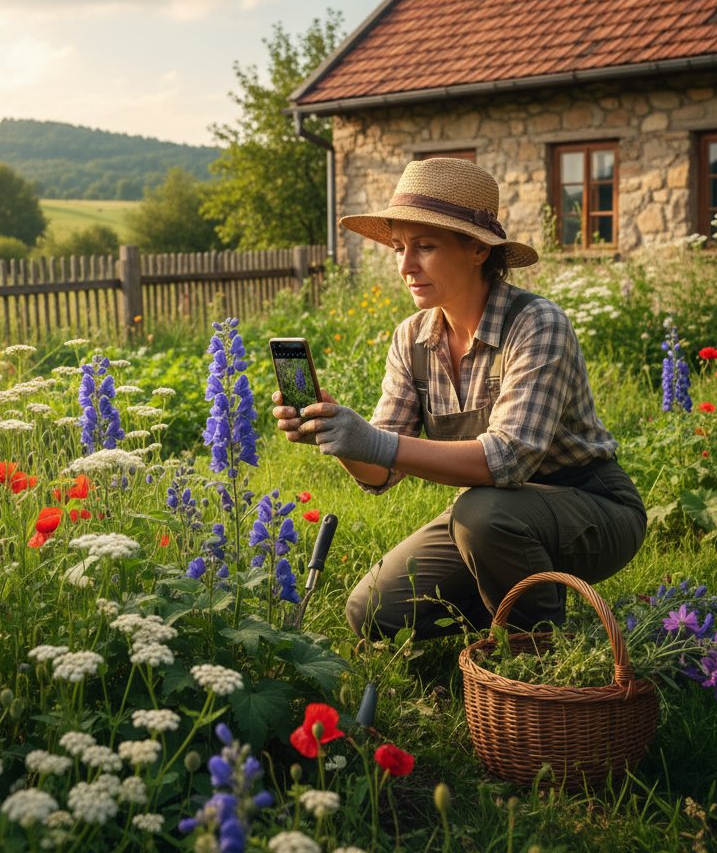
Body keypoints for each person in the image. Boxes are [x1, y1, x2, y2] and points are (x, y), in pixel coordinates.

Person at [272, 158, 646, 639]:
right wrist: (336, 437)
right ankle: (501, 610)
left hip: (591, 505)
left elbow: (507, 460)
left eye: (424, 247)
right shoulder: (412, 338)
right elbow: (380, 473)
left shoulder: (536, 324)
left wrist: (372, 441)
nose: (406, 266)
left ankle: (536, 650)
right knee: (374, 612)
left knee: (483, 514)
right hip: (495, 513)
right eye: (399, 248)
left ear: (476, 250)